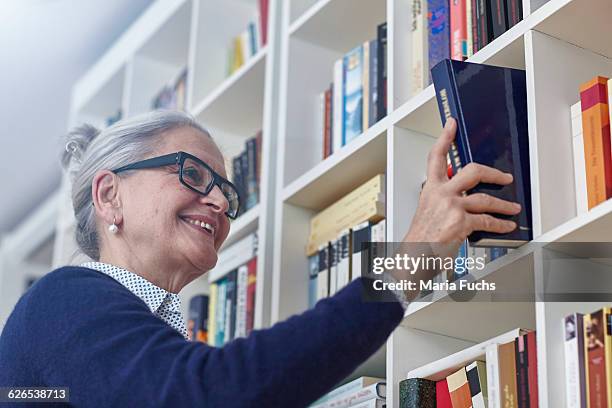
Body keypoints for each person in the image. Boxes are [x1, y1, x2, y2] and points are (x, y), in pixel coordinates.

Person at [0, 111, 520, 407]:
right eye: (194, 175)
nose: (222, 203)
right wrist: (413, 257)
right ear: (109, 194)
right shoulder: (59, 301)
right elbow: (216, 393)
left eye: (226, 191)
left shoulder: (127, 338)